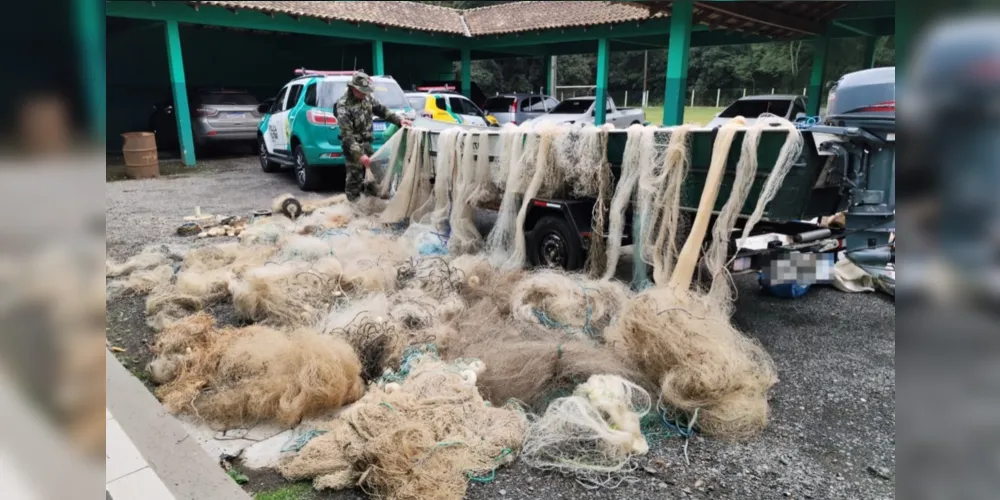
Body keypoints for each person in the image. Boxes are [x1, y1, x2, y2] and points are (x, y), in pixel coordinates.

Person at [336, 71, 412, 201]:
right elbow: (347, 135)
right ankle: (353, 208)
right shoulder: (343, 105)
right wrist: (360, 155)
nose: (365, 93)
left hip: (367, 144)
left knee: (376, 174)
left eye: (366, 91)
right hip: (353, 147)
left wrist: (399, 120)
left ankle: (372, 201)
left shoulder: (367, 98)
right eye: (362, 91)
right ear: (353, 89)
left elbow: (382, 110)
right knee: (354, 179)